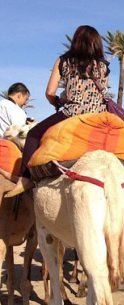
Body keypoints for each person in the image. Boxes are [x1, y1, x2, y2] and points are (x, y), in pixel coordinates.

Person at [6, 25, 110, 197]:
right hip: (98, 116)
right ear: (97, 43)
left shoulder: (64, 61)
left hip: (73, 112)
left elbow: (49, 92)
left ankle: (25, 179)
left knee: (32, 135)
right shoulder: (103, 66)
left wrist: (57, 101)